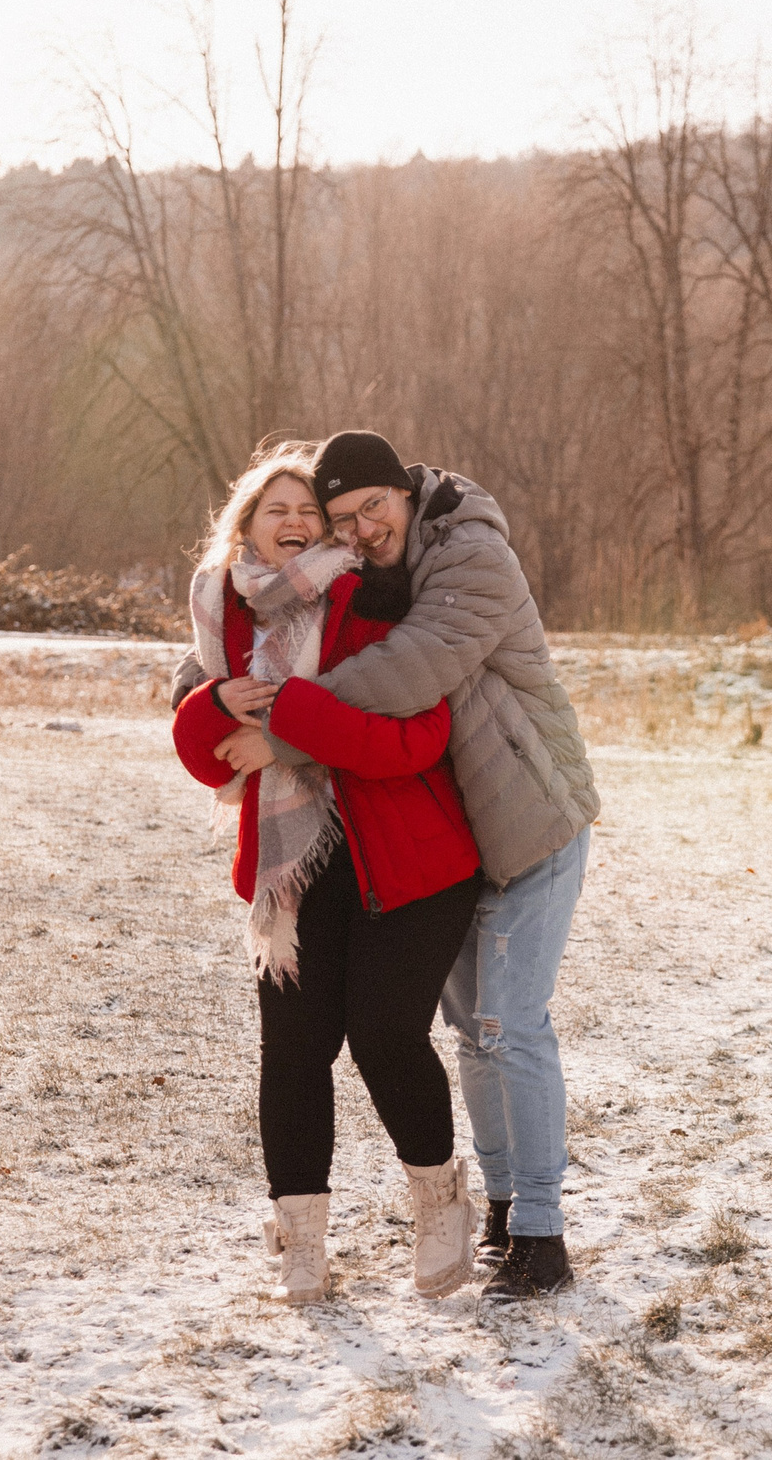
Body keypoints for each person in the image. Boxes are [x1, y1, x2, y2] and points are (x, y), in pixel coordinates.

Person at [171, 443, 488, 1305]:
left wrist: (289, 727)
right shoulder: (226, 620)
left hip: (410, 860)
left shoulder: (374, 596)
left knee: (386, 1033)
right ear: (246, 527)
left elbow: (413, 742)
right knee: (295, 1051)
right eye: (277, 510)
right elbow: (209, 760)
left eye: (309, 510)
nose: (298, 523)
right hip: (295, 874)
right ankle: (300, 1245)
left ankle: (441, 1208)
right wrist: (211, 704)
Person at [301, 430, 599, 1302]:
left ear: (404, 492)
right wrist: (208, 684)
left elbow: (411, 668)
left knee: (511, 1022)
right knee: (474, 1035)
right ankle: (505, 1212)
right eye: (342, 520)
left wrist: (287, 713)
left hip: (532, 819)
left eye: (372, 508)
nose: (360, 530)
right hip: (459, 843)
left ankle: (543, 1236)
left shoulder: (471, 553)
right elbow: (268, 608)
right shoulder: (367, 560)